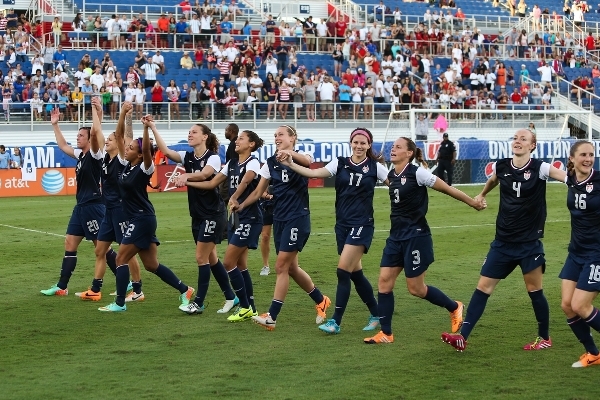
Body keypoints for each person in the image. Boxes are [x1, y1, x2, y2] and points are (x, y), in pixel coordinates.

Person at [441, 129, 567, 351]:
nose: (518, 142)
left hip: (529, 244)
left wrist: (584, 186)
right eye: (516, 138)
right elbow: (493, 179)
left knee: (534, 290)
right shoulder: (502, 165)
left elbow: (566, 178)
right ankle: (463, 336)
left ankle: (544, 338)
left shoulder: (541, 168)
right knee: (483, 288)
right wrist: (482, 195)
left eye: (523, 139)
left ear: (532, 146)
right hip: (502, 243)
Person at [364, 137, 485, 344]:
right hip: (396, 237)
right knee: (384, 282)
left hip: (416, 236)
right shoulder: (392, 174)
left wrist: (473, 203)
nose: (393, 150)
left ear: (409, 153)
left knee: (416, 289)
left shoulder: (417, 173)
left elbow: (448, 189)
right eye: (393, 147)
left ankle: (454, 307)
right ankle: (386, 333)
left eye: (398, 147)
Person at [278, 127, 388, 334]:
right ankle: (376, 313)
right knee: (356, 274)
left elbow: (397, 184)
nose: (359, 146)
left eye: (363, 143)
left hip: (362, 224)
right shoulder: (340, 162)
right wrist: (291, 164)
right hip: (343, 226)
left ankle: (335, 321)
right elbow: (312, 173)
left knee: (343, 270)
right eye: (356, 142)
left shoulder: (376, 167)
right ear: (351, 143)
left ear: (369, 145)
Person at [231, 125, 332, 330]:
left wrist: (289, 154)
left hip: (298, 218)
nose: (277, 137)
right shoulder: (269, 163)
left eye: (281, 134)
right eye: (275, 135)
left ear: (292, 138)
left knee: (280, 267)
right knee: (292, 268)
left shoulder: (301, 155)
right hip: (280, 219)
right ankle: (321, 300)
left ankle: (272, 316)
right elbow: (259, 191)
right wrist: (240, 205)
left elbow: (308, 162)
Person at [97, 115, 195, 312]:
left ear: (141, 154)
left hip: (142, 218)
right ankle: (185, 290)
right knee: (151, 265)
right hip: (140, 218)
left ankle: (119, 303)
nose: (127, 148)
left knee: (120, 259)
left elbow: (146, 150)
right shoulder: (126, 166)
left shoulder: (144, 167)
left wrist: (147, 129)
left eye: (131, 148)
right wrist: (125, 117)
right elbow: (120, 136)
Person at [149, 122, 239, 315]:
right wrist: (153, 128)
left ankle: (198, 302)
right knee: (211, 258)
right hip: (198, 214)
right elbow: (165, 151)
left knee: (200, 257)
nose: (190, 135)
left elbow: (205, 174)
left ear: (205, 136)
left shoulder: (213, 158)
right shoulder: (187, 156)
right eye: (189, 132)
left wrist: (186, 177)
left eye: (194, 132)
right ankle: (231, 297)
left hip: (213, 214)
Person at [182, 130, 264, 322]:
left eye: (241, 138)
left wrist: (235, 198)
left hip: (250, 217)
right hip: (236, 218)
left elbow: (246, 181)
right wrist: (188, 181)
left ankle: (244, 306)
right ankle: (250, 307)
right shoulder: (231, 164)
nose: (236, 141)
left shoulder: (252, 162)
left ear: (251, 144)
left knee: (228, 262)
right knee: (241, 265)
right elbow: (212, 184)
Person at [41, 110, 106, 296]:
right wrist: (55, 124)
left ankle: (125, 280)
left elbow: (95, 133)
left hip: (94, 206)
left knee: (101, 247)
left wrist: (97, 113)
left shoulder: (95, 155)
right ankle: (62, 287)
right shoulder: (81, 155)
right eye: (77, 135)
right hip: (81, 207)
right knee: (70, 242)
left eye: (81, 135)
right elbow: (62, 145)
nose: (77, 138)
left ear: (89, 138)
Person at [559, 141, 600, 368]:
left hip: (596, 253)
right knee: (567, 304)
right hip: (576, 252)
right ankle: (593, 353)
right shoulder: (570, 179)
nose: (588, 158)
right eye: (583, 154)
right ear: (572, 158)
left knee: (581, 306)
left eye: (591, 155)